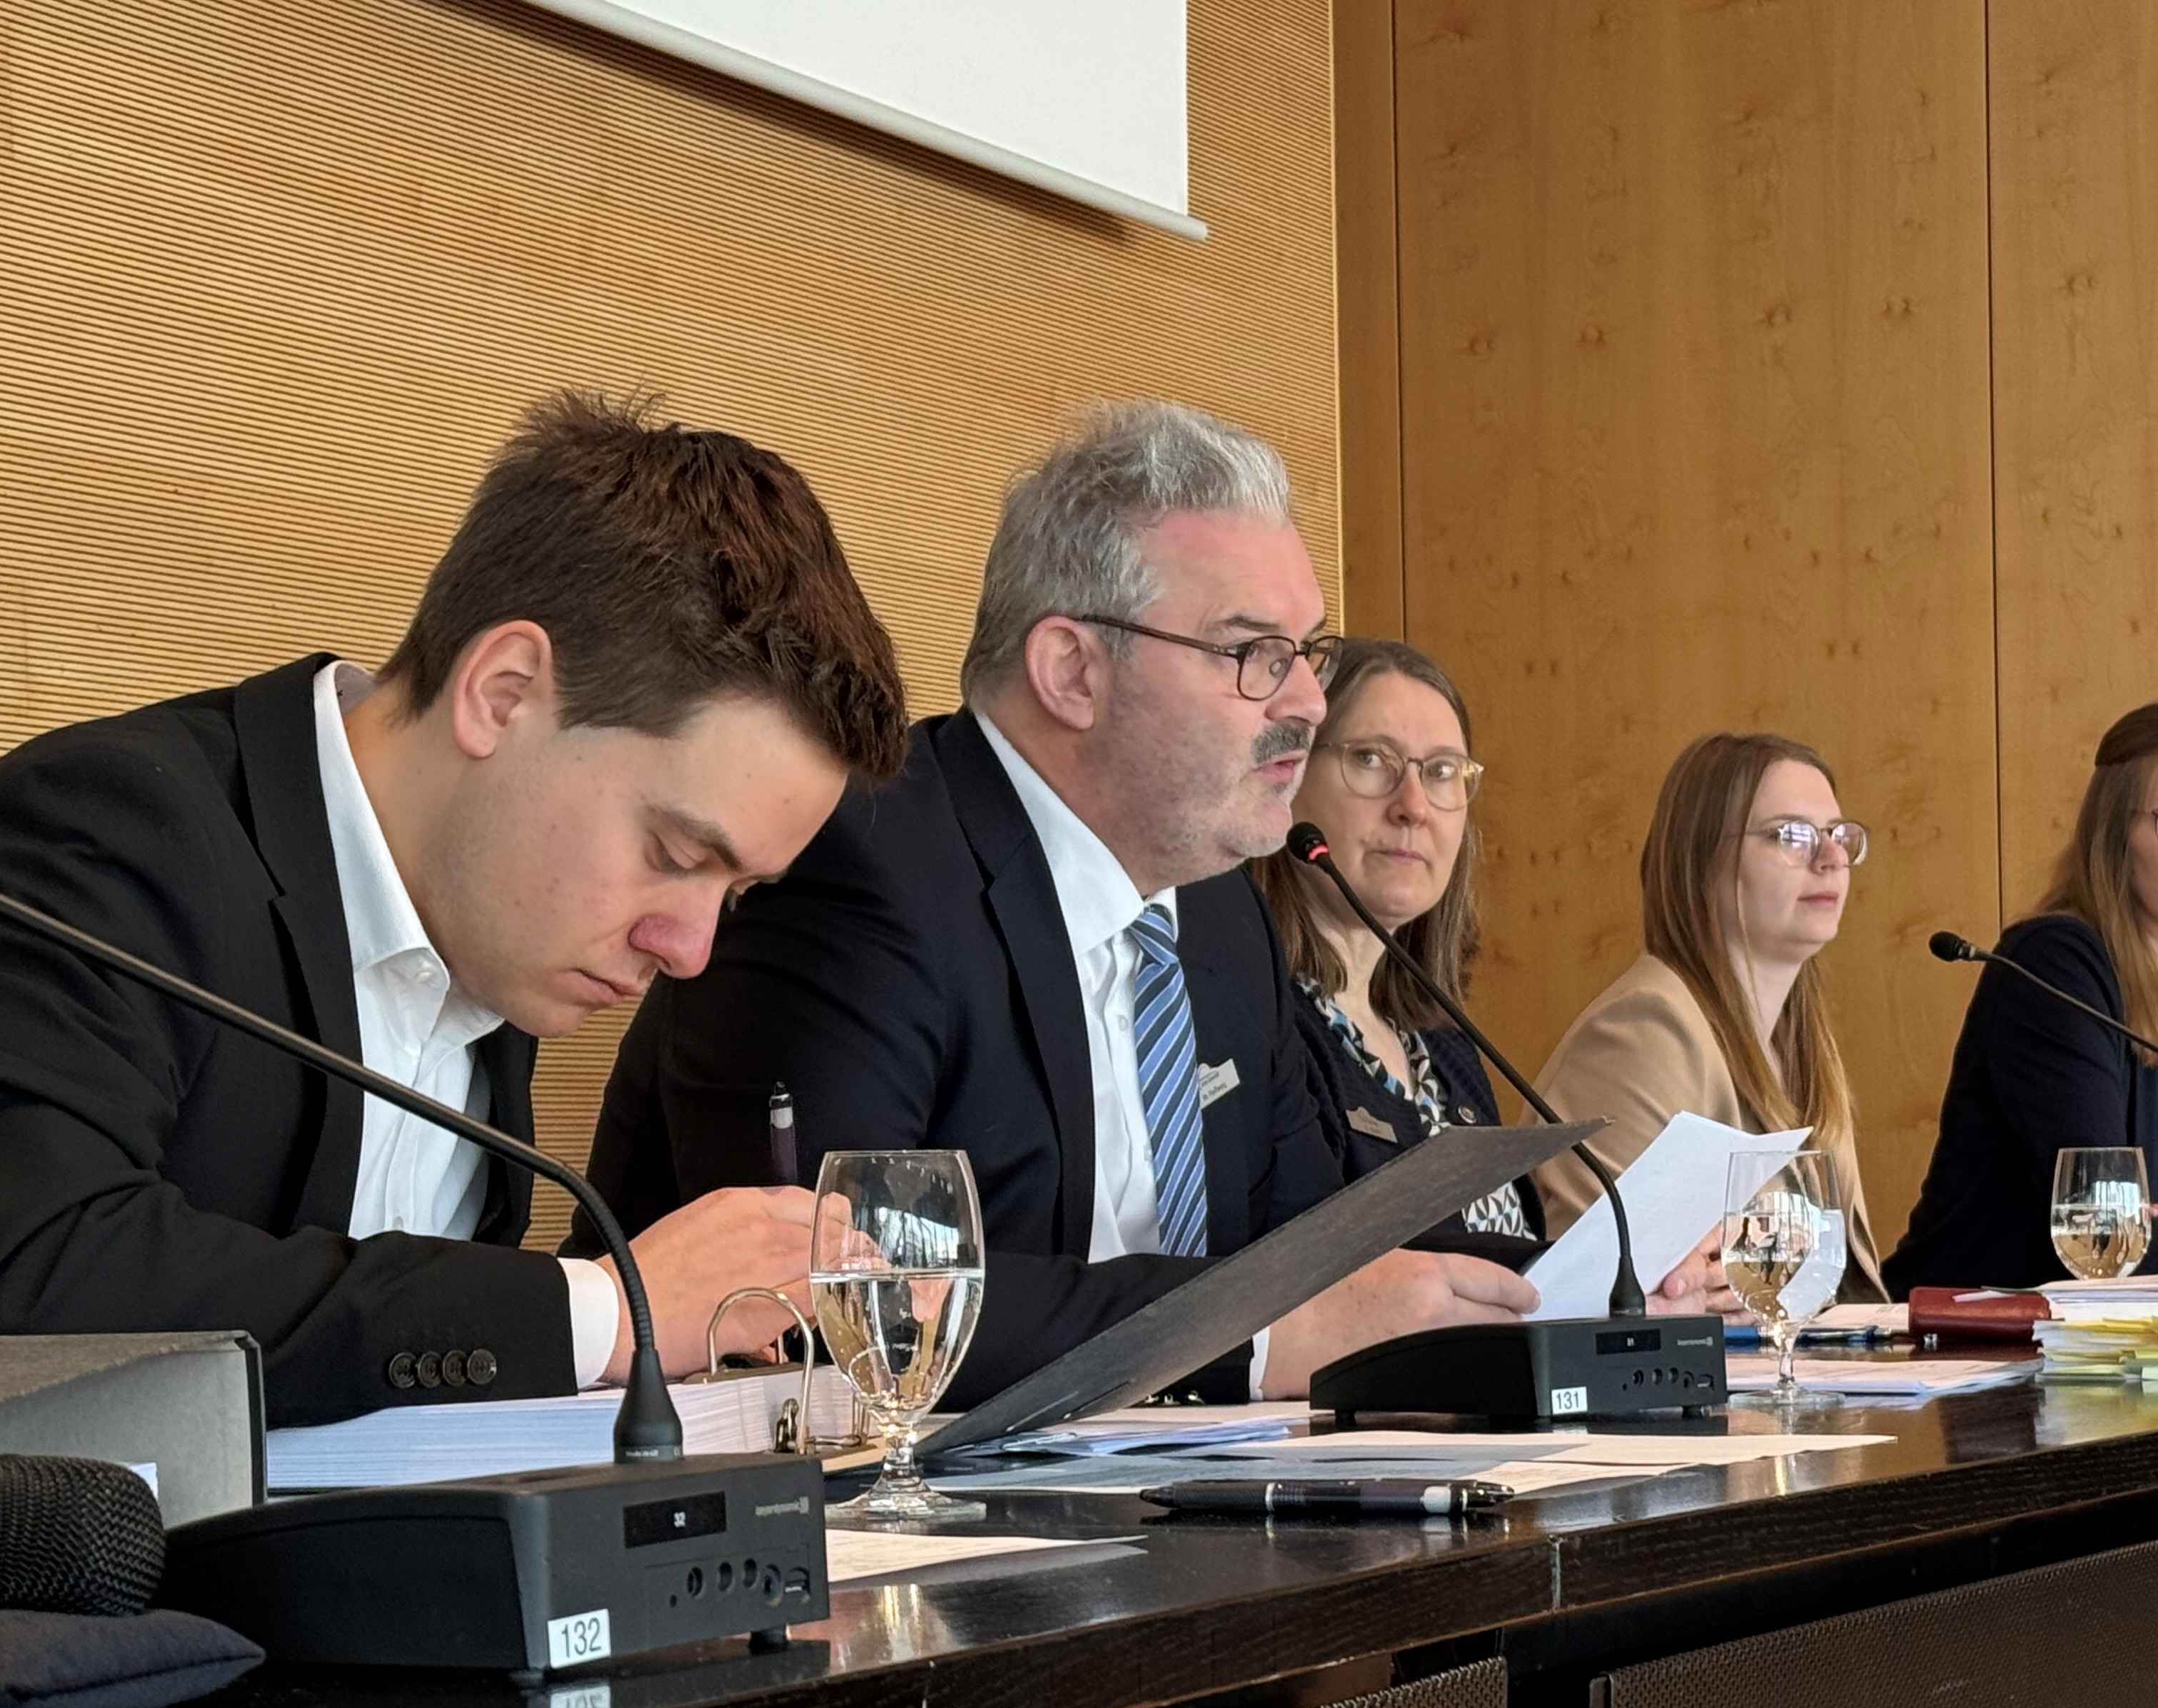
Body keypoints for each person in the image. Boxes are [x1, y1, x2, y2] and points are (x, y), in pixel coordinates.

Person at [0, 393, 913, 1425]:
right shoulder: (101, 828)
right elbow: (14, 1272)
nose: (691, 951)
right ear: (502, 693)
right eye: (675, 854)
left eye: (733, 895)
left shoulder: (498, 942)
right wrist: (607, 1312)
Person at [584, 400, 1541, 1407]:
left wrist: (1582, 1282)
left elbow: (1315, 1245)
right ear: (1073, 672)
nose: (1305, 700)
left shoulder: (1222, 914)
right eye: (1254, 653)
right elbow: (845, 1291)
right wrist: (1251, 1340)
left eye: (1309, 651)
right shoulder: (859, 864)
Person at [1884, 701, 2158, 1292]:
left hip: (2117, 1337)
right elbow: (2103, 1240)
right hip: (1967, 1335)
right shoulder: (2054, 965)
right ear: (2116, 835)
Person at [1528, 732, 1885, 1297]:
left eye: (1839, 836)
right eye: (1790, 835)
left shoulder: (1803, 1045)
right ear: (1700, 862)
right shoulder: (1644, 1032)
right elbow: (1626, 1296)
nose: (1831, 859)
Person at [1250, 637, 1542, 1251]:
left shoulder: (1444, 1042)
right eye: (1371, 760)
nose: (1413, 807)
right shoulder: (1260, 1028)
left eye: (1441, 772)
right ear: (1290, 775)